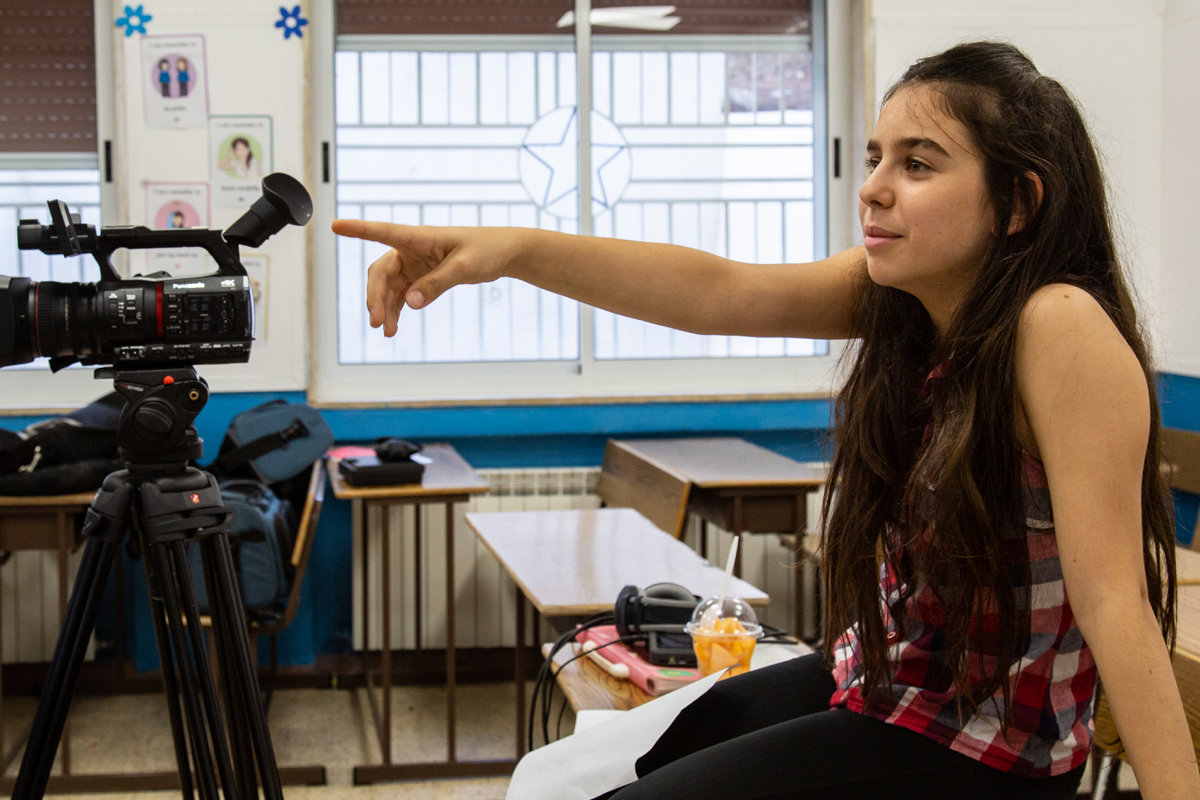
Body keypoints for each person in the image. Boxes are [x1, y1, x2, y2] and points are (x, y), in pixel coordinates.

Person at [332, 41, 1200, 800]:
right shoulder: (908, 303)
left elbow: (1113, 599)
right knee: (578, 772)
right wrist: (510, 253)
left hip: (979, 751)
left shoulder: (1057, 326)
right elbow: (716, 291)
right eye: (874, 157)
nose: (874, 188)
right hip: (887, 684)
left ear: (1017, 205)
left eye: (919, 164)